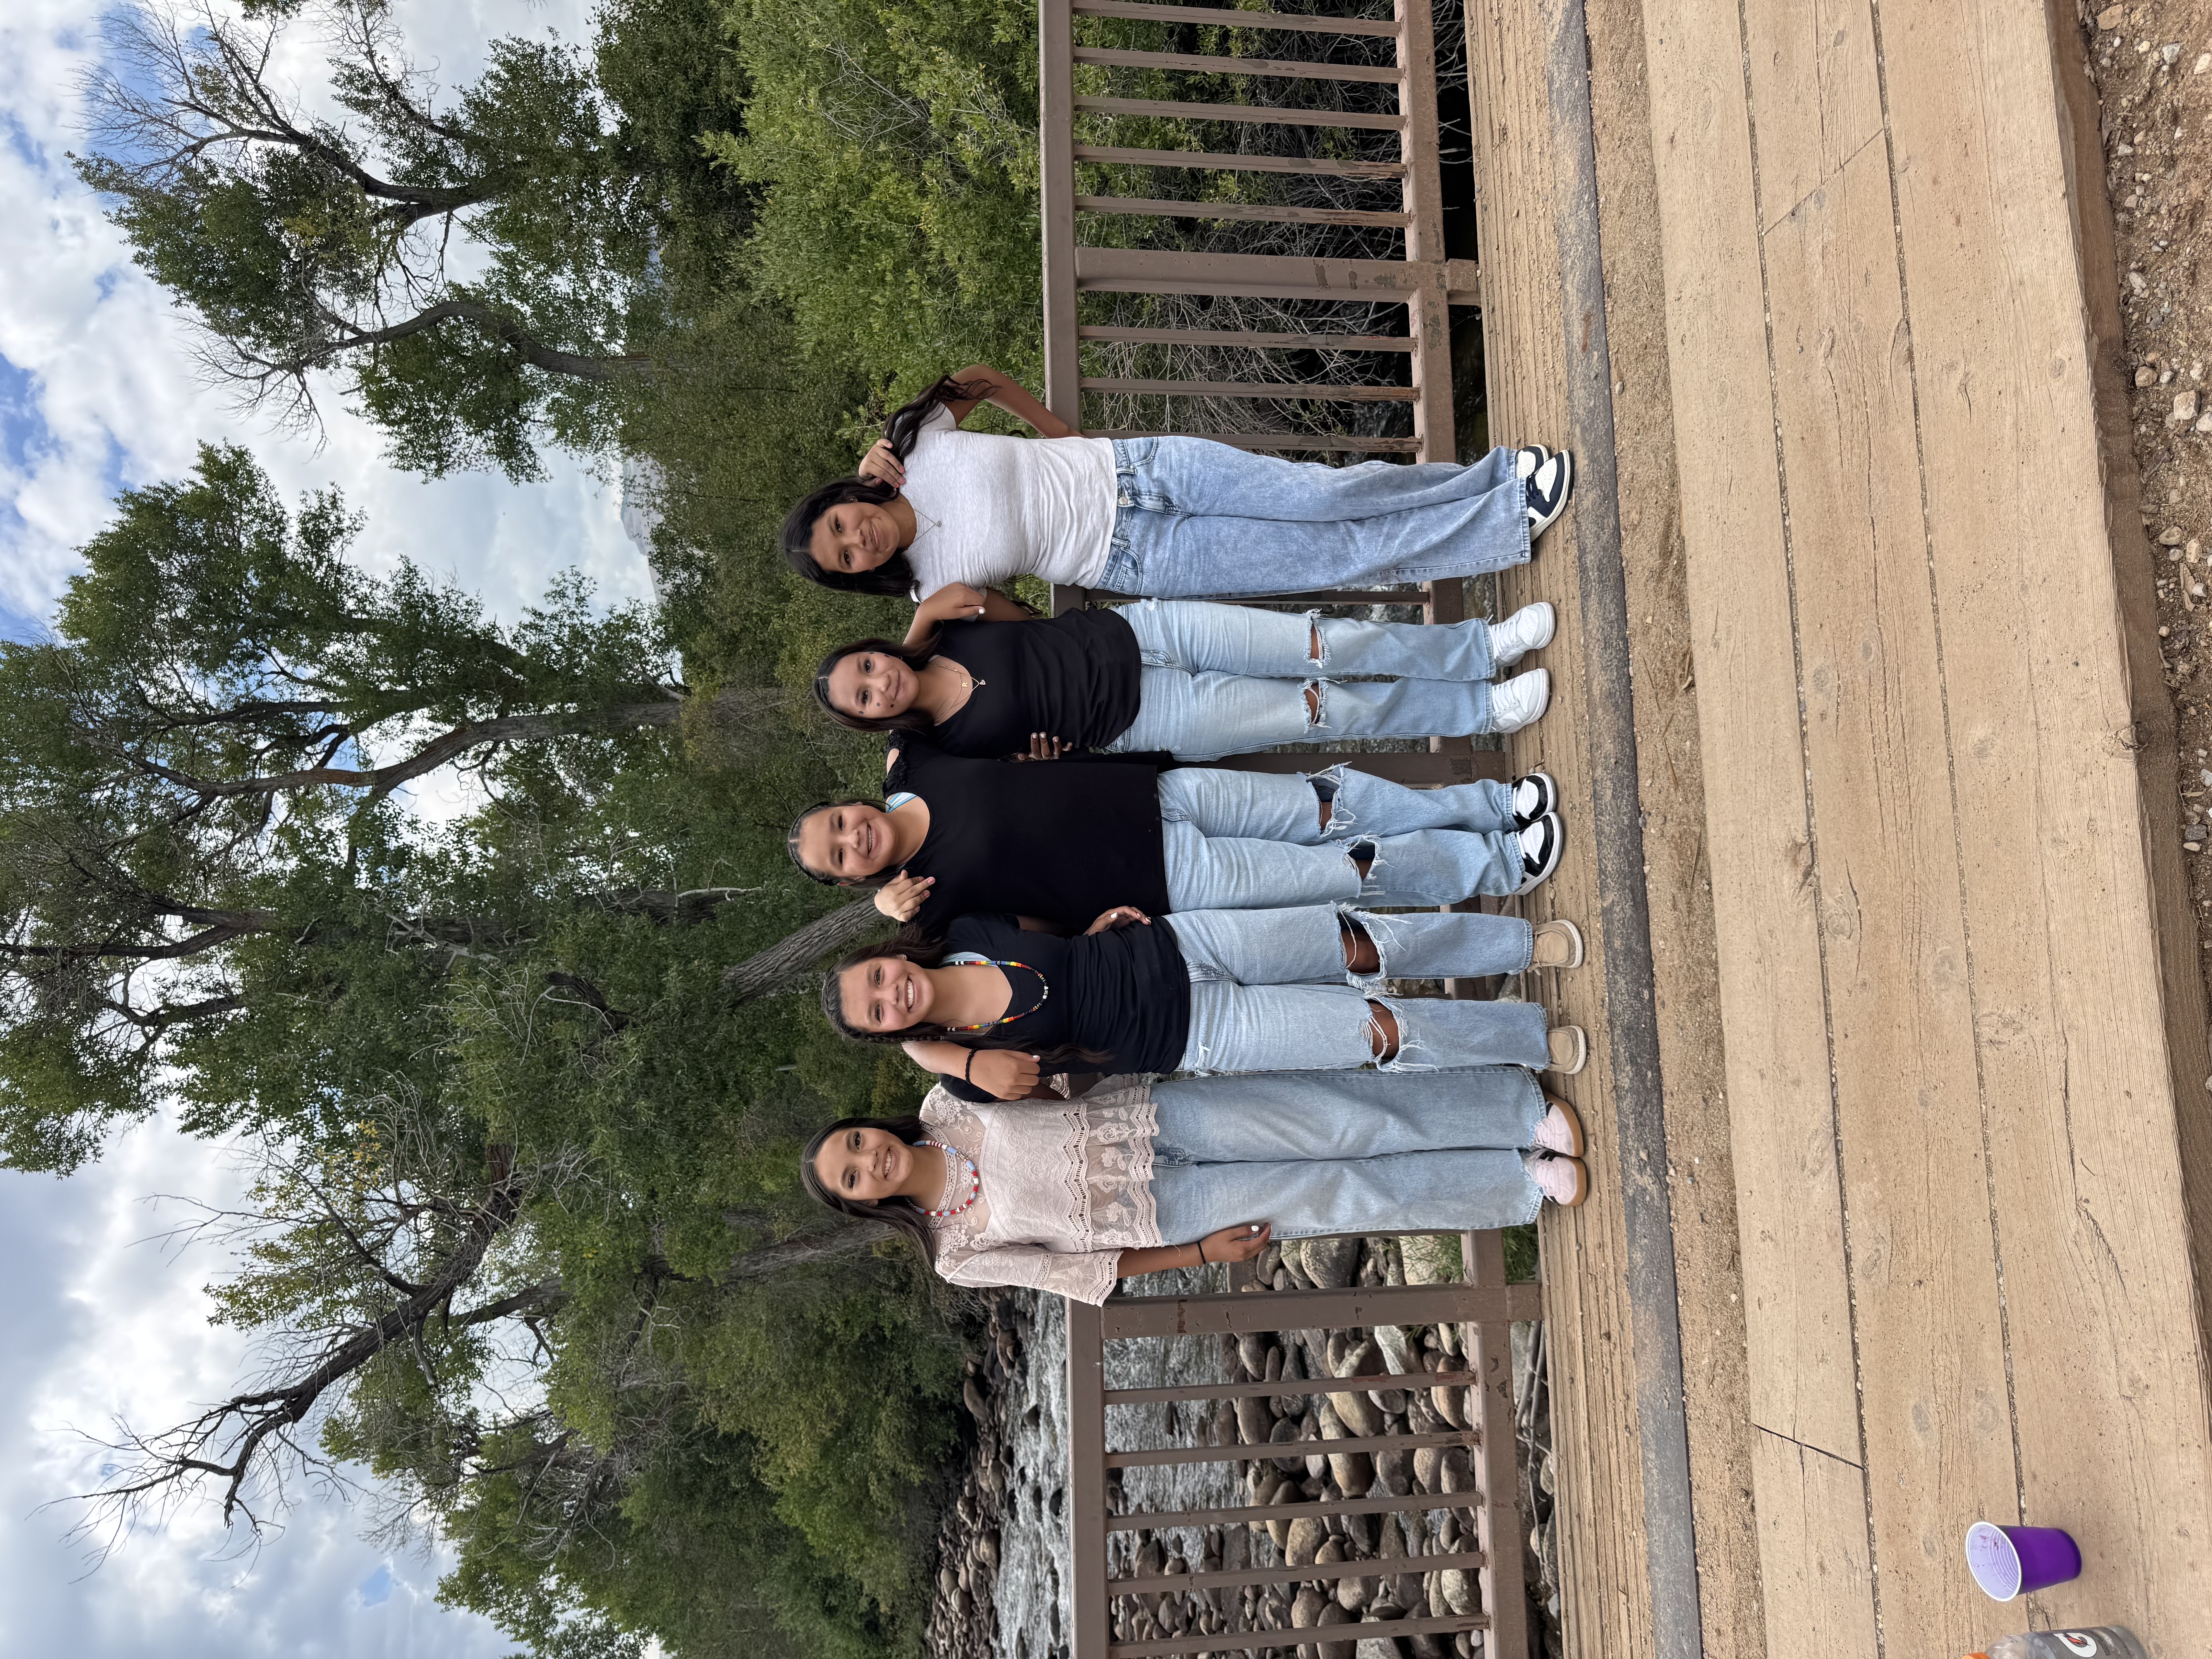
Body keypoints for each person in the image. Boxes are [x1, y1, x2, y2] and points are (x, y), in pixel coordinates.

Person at [779, 366, 1575, 605]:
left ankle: (1495, 479)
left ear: (842, 499)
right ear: (858, 577)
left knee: (1319, 498)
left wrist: (1067, 438)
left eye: (840, 525)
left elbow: (978, 380)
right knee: (1323, 562)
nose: (857, 541)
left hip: (1139, 467)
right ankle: (1503, 521)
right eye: (844, 558)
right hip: (1137, 560)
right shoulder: (927, 593)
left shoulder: (915, 449)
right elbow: (982, 636)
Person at [799, 1070, 1590, 1306]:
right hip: (1168, 1214)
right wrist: (1200, 1253)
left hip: (1152, 1117)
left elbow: (1030, 1063)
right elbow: (1078, 1273)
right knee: (1350, 1197)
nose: (870, 1163)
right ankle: (1518, 1177)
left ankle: (1520, 1110)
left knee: (1338, 1118)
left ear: (874, 1127)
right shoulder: (955, 1254)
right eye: (853, 1178)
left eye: (858, 1144)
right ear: (862, 1204)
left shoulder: (944, 1104)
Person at [818, 903, 1589, 1099]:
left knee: (1354, 943)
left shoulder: (964, 927)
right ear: (894, 1033)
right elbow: (1036, 1093)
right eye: (878, 1013)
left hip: (1183, 944)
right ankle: (1526, 1037)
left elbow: (1054, 928)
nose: (892, 994)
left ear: (887, 958)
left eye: (877, 980)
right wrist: (934, 1051)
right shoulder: (967, 1065)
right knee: (1377, 1032)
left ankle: (1517, 947)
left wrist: (1092, 930)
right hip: (1201, 1036)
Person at [787, 743, 1565, 935]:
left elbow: (926, 640)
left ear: (847, 802)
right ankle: (1501, 861)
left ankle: (1494, 803)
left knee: (1331, 800)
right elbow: (980, 962)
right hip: (1164, 875)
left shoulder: (915, 759)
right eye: (839, 857)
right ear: (854, 877)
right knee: (1343, 872)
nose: (850, 838)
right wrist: (890, 923)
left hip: (1156, 790)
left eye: (835, 824)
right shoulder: (927, 902)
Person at [812, 595, 1557, 763]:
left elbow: (988, 602)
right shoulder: (942, 749)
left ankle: (1481, 646)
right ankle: (1485, 709)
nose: (880, 684)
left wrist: (914, 643)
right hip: (1146, 720)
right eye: (865, 698)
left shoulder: (941, 628)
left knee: (1324, 641)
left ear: (877, 649)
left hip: (1144, 629)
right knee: (1322, 710)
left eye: (868, 666)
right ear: (871, 719)